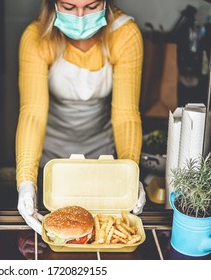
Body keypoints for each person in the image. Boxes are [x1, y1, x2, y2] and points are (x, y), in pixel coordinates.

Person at [16, 0, 146, 235]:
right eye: (68, 8)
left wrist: (130, 171)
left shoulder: (125, 34)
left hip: (103, 158)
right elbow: (32, 114)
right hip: (52, 159)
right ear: (52, 4)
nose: (79, 16)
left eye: (91, 6)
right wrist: (26, 182)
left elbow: (126, 115)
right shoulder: (36, 37)